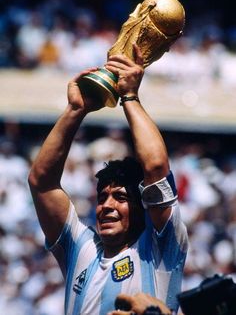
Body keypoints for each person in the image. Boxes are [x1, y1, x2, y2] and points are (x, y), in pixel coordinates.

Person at [28, 44, 188, 315]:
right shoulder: (81, 249)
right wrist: (74, 112)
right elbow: (41, 183)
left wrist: (130, 97)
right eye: (102, 198)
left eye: (121, 197)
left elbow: (156, 165)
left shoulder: (160, 248)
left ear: (141, 207)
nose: (107, 206)